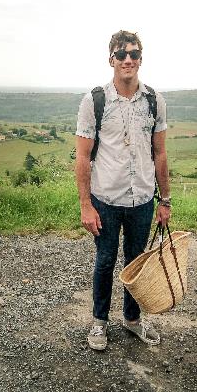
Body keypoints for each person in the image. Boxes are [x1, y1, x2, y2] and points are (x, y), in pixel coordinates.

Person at [75, 30, 172, 351]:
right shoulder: (95, 101)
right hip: (106, 199)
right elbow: (82, 156)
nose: (127, 59)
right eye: (121, 54)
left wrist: (165, 200)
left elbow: (160, 153)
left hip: (143, 199)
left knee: (136, 261)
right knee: (105, 261)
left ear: (141, 59)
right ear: (111, 60)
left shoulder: (154, 101)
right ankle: (99, 323)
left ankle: (132, 320)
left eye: (133, 54)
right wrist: (86, 205)